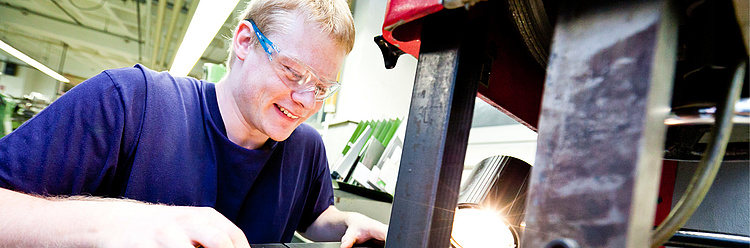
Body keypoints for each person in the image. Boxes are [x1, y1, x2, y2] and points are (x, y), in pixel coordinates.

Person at [0, 0, 388, 247]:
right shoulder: (129, 101)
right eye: (292, 72)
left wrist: (346, 222)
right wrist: (113, 221)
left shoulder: (306, 146)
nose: (307, 102)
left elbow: (314, 216)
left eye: (322, 87)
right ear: (244, 42)